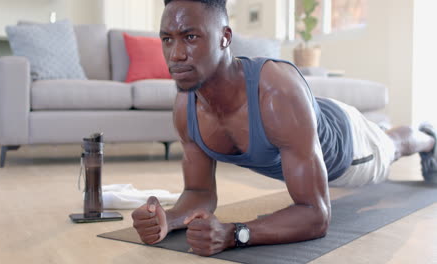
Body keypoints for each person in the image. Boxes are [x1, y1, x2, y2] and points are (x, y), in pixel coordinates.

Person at [132, 0, 437, 257]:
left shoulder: (275, 91)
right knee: (377, 134)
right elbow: (198, 192)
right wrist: (167, 219)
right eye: (167, 39)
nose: (175, 55)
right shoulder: (185, 105)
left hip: (350, 146)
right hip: (305, 114)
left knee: (392, 145)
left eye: (190, 37)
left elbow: (316, 214)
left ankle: (428, 139)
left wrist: (235, 234)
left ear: (225, 37)